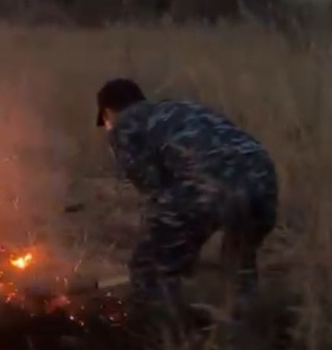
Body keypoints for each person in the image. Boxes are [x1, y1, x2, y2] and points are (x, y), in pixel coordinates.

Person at [95, 78, 278, 319]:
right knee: (238, 256)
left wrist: (169, 246)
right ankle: (245, 322)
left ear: (108, 112)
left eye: (105, 121)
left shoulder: (124, 126)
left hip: (211, 181)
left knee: (150, 266)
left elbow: (154, 191)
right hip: (262, 177)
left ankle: (166, 334)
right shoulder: (180, 109)